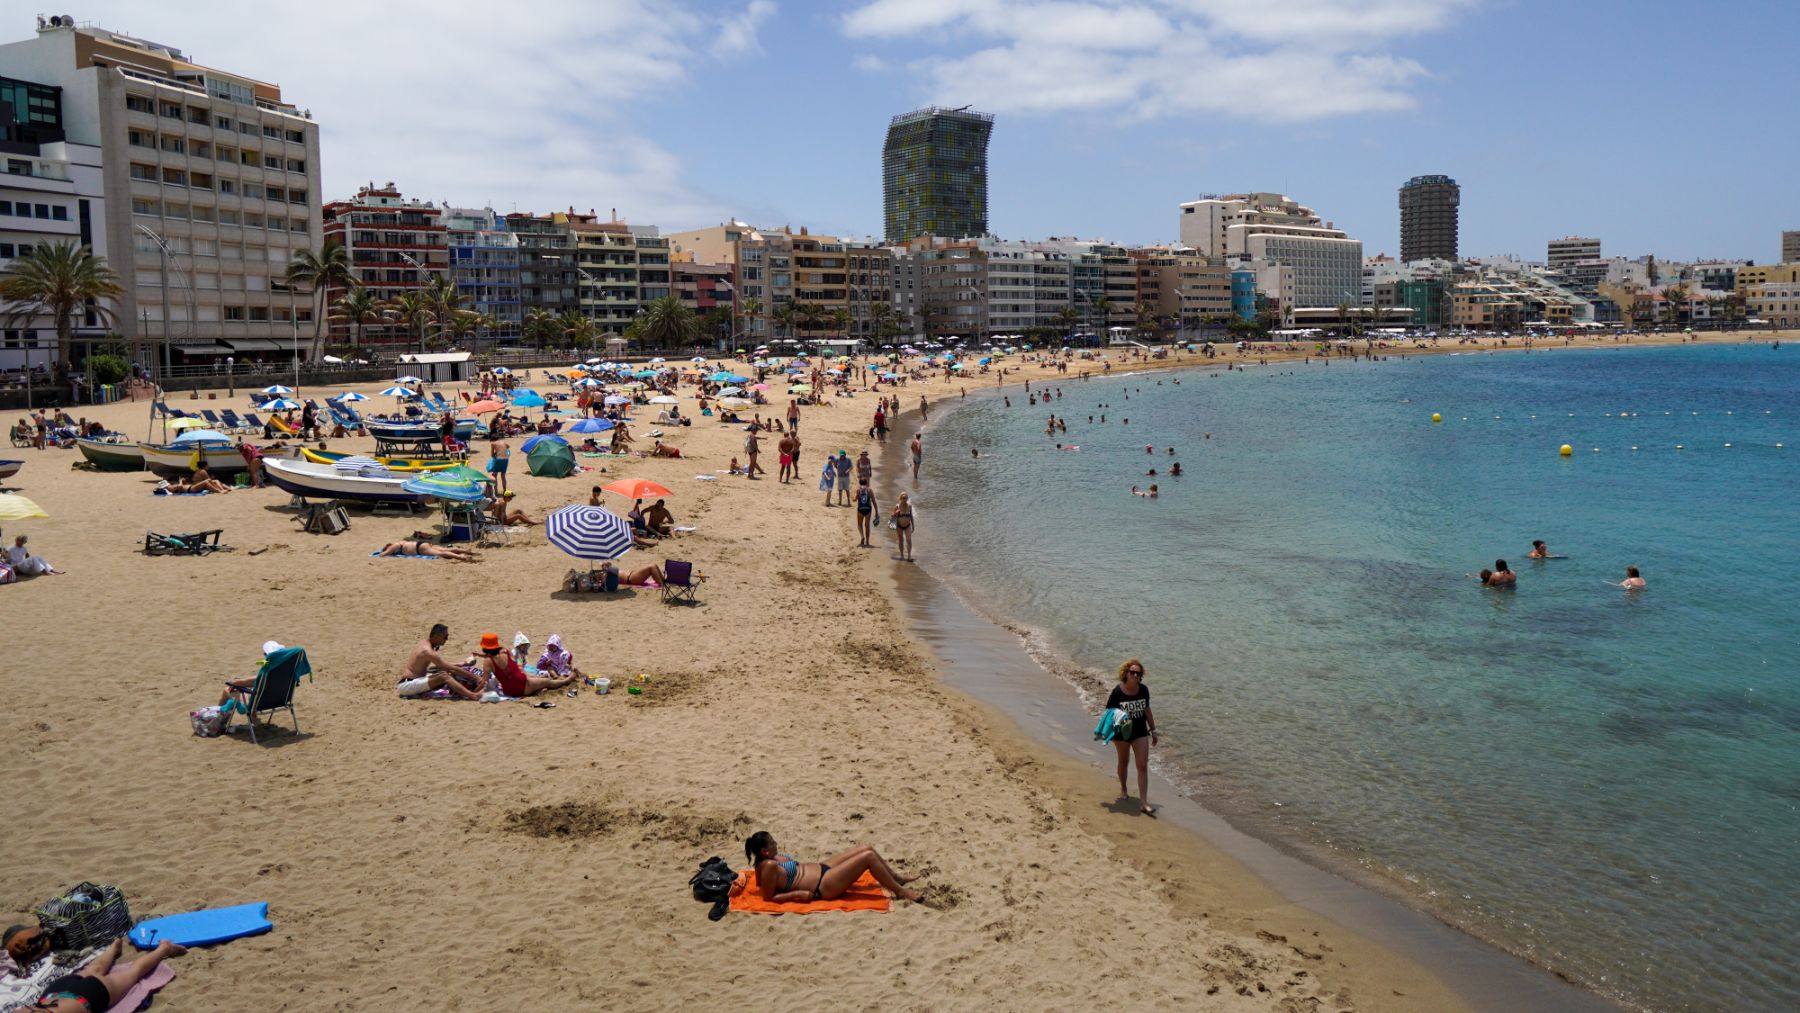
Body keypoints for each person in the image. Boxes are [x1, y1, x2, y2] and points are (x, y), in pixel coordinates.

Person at [11, 934, 186, 1013]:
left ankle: (164, 947)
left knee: (134, 972)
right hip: (54, 991)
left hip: (89, 996)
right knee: (91, 971)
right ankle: (112, 948)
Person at [742, 831, 922, 904]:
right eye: (772, 843)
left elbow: (759, 880)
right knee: (868, 858)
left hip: (823, 868)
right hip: (823, 886)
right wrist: (796, 894)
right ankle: (900, 892)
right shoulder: (769, 865)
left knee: (866, 848)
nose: (776, 844)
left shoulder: (767, 860)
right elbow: (768, 897)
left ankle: (895, 878)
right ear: (764, 852)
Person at [1107, 659, 1159, 815]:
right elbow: (1109, 713)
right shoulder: (1117, 692)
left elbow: (1146, 709)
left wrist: (1154, 730)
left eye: (1138, 673)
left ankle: (1143, 802)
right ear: (1126, 673)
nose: (1135, 675)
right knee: (1123, 762)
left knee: (1142, 765)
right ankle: (1123, 788)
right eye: (1132, 672)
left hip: (1140, 733)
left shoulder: (1143, 690)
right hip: (1121, 733)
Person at [396, 623, 484, 699]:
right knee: (445, 676)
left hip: (415, 680)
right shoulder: (427, 651)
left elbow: (441, 665)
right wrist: (475, 677)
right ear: (436, 636)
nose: (447, 639)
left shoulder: (425, 643)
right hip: (407, 686)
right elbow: (447, 667)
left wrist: (461, 664)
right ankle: (473, 696)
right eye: (445, 637)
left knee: (447, 671)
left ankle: (465, 689)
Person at [477, 631, 575, 697]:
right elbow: (517, 667)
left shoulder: (488, 662)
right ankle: (567, 680)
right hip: (523, 685)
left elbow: (484, 682)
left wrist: (473, 692)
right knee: (547, 681)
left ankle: (537, 690)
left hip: (509, 691)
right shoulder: (505, 651)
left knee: (537, 681)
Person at [377, 539, 476, 561]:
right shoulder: (401, 541)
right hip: (422, 543)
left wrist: (381, 553)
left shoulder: (393, 546)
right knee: (445, 549)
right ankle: (465, 550)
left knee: (442, 553)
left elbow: (383, 554)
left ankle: (461, 557)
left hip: (420, 548)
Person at [855, 479, 879, 547]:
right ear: (866, 482)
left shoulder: (858, 490)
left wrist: (855, 497)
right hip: (868, 509)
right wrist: (876, 512)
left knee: (859, 524)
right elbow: (874, 501)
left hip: (860, 509)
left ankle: (862, 536)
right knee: (867, 525)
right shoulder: (870, 490)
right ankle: (867, 542)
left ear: (859, 483)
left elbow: (855, 499)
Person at [891, 491, 914, 561]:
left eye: (906, 498)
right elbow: (892, 515)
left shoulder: (909, 506)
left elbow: (911, 516)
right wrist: (896, 513)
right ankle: (902, 555)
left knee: (909, 540)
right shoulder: (897, 506)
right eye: (903, 498)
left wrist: (913, 525)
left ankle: (909, 556)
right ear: (900, 498)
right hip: (899, 526)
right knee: (901, 540)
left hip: (908, 525)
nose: (905, 499)